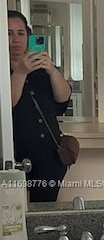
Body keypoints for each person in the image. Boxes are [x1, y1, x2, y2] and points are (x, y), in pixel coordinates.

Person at [8, 10, 72, 202]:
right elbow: (6, 106)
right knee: (11, 212)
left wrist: (51, 70)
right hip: (13, 157)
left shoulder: (40, 68)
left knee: (45, 209)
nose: (15, 39)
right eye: (9, 33)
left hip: (48, 155)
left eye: (21, 33)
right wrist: (20, 72)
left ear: (28, 36)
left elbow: (63, 99)